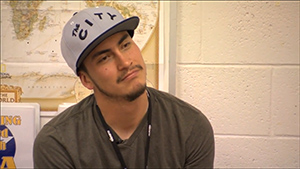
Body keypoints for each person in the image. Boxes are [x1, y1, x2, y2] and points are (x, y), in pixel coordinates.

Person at [33, 6, 215, 169]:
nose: (125, 62)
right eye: (105, 58)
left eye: (125, 45)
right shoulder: (57, 143)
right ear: (86, 80)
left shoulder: (190, 127)